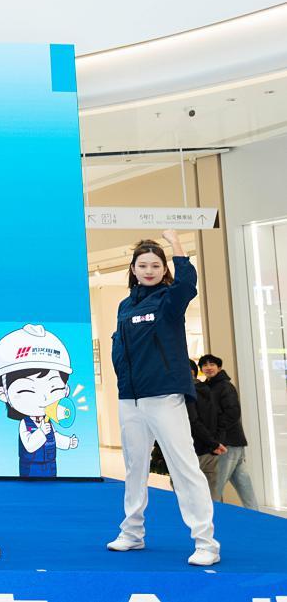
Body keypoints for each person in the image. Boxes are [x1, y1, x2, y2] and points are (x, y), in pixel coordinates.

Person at [106, 231, 219, 566]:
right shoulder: (125, 306)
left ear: (164, 268)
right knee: (134, 469)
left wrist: (177, 246)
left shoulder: (169, 299)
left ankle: (206, 543)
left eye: (156, 265)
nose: (149, 270)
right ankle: (132, 532)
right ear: (133, 269)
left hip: (164, 396)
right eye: (143, 265)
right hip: (130, 399)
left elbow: (187, 285)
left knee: (184, 468)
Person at [0, 324, 80, 478]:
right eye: (28, 391)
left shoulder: (48, 421)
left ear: (65, 390)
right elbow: (29, 446)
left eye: (54, 389)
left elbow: (55, 437)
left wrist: (68, 442)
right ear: (3, 393)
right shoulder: (25, 423)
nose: (43, 398)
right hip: (31, 467)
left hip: (50, 465)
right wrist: (41, 432)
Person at [200, 354, 259, 510]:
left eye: (212, 364)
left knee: (215, 486)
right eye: (205, 365)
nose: (208, 367)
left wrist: (217, 435)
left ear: (219, 367)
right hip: (234, 443)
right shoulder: (209, 387)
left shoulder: (224, 386)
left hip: (227, 443)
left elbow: (233, 413)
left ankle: (211, 518)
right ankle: (256, 515)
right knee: (244, 486)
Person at [189, 359, 226, 495]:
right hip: (211, 449)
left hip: (195, 449)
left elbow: (194, 421)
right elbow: (220, 417)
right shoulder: (208, 389)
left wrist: (214, 443)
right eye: (205, 365)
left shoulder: (188, 394)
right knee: (211, 492)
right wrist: (215, 442)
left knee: (185, 489)